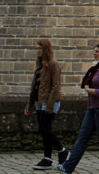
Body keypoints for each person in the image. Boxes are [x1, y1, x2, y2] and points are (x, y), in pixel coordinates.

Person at [55, 43, 99, 174]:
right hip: (93, 108)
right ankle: (68, 166)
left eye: (97, 51)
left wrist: (90, 90)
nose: (94, 53)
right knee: (82, 137)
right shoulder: (96, 68)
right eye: (94, 51)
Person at [25, 39, 68, 170]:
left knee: (45, 129)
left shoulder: (53, 65)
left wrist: (49, 105)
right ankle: (47, 158)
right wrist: (29, 105)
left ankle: (62, 150)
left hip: (50, 101)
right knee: (43, 130)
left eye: (40, 48)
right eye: (37, 48)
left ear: (46, 49)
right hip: (39, 101)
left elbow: (55, 86)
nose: (38, 51)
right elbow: (35, 87)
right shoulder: (40, 65)